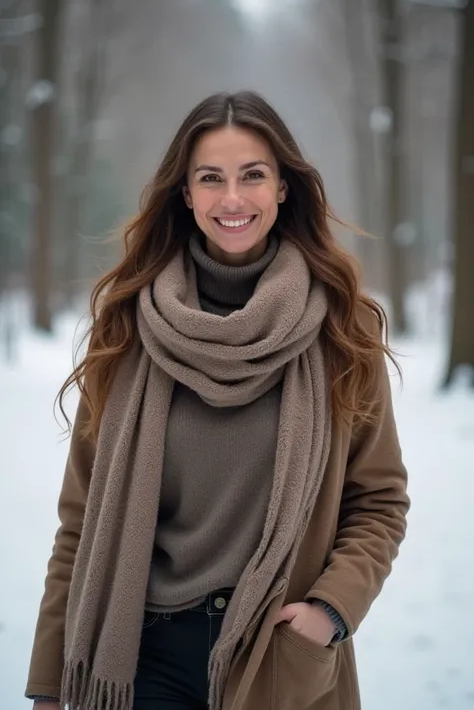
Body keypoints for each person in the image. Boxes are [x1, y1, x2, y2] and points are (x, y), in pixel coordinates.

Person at [25, 91, 409, 710]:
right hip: (141, 657)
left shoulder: (342, 329)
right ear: (185, 192)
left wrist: (330, 610)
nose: (232, 199)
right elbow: (82, 518)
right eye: (211, 179)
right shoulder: (129, 326)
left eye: (252, 175)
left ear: (284, 187)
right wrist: (49, 680)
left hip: (279, 654)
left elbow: (379, 501)